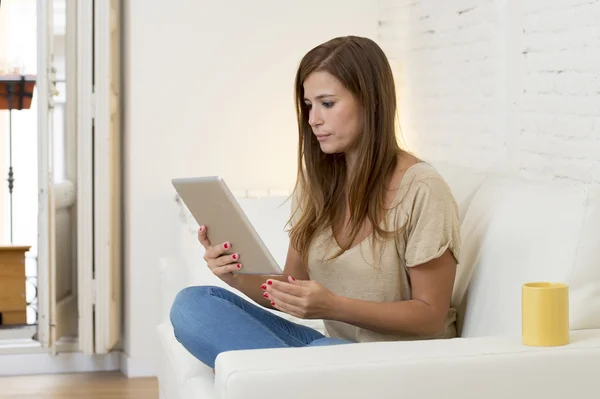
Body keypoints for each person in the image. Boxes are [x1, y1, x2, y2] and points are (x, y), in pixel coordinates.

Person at [170, 35, 461, 372]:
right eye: (309, 105)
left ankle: (298, 378)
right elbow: (289, 288)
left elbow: (430, 315)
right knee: (193, 305)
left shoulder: (422, 188)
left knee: (315, 353)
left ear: (371, 102)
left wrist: (334, 306)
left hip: (395, 361)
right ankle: (303, 379)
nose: (313, 119)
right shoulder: (323, 184)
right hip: (329, 351)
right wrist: (233, 274)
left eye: (327, 103)